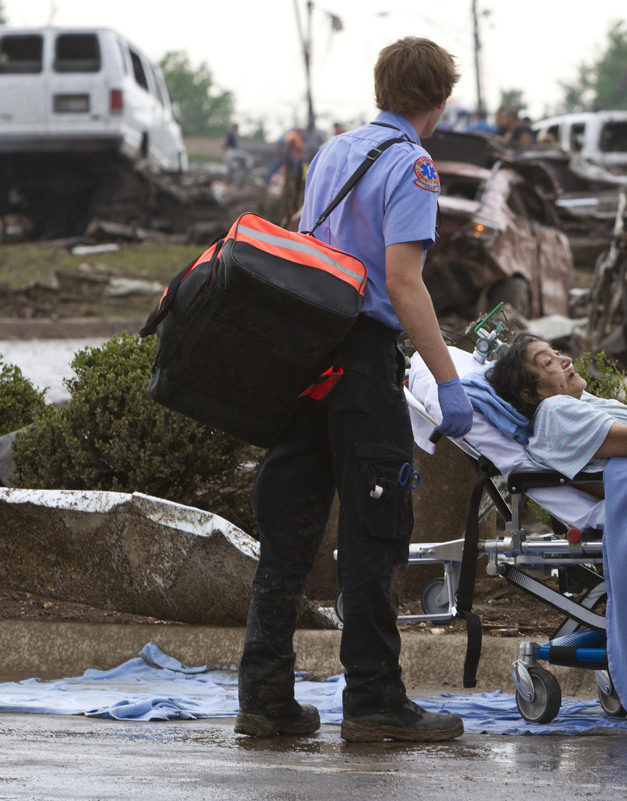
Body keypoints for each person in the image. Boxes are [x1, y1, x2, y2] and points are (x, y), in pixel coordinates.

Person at [236, 36, 474, 744]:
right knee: (375, 531)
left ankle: (265, 699)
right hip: (364, 364)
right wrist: (449, 379)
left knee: (287, 530)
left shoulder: (332, 151)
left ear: (381, 87)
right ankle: (374, 701)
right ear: (440, 101)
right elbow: (402, 281)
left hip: (307, 356)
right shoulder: (414, 166)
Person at [487, 332, 627, 486]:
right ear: (530, 395)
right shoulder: (554, 410)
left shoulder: (575, 400)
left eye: (557, 353)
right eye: (549, 362)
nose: (566, 360)